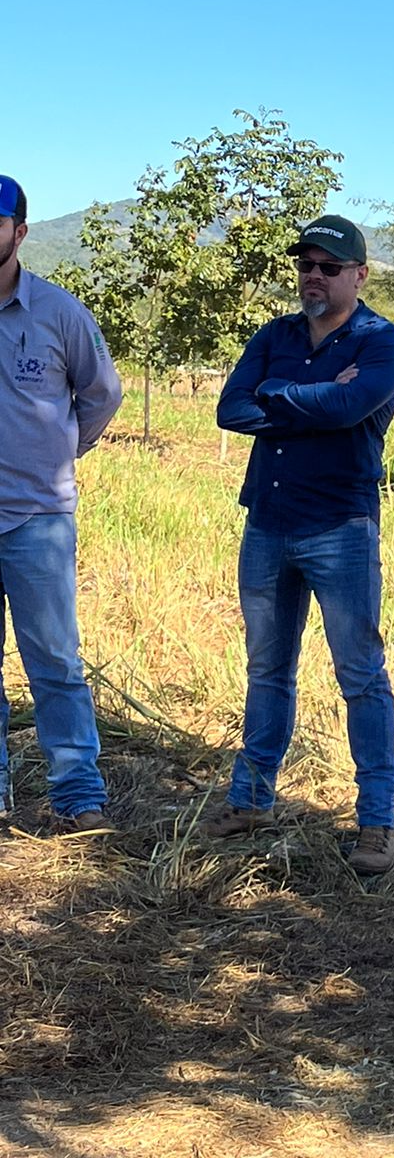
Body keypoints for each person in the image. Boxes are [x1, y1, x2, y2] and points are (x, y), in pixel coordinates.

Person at [211, 214, 394, 874]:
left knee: (360, 674)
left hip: (340, 528)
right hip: (267, 521)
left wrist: (280, 395)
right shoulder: (276, 334)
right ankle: (251, 799)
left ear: (359, 274)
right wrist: (308, 397)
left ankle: (378, 822)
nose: (314, 276)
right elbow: (230, 408)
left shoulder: (383, 342)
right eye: (306, 265)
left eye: (329, 266)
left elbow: (350, 411)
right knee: (268, 668)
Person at [0, 173, 123, 831]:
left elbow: (102, 395)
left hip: (37, 518)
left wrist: (56, 454)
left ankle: (77, 794)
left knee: (54, 660)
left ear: (19, 233)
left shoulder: (59, 313)